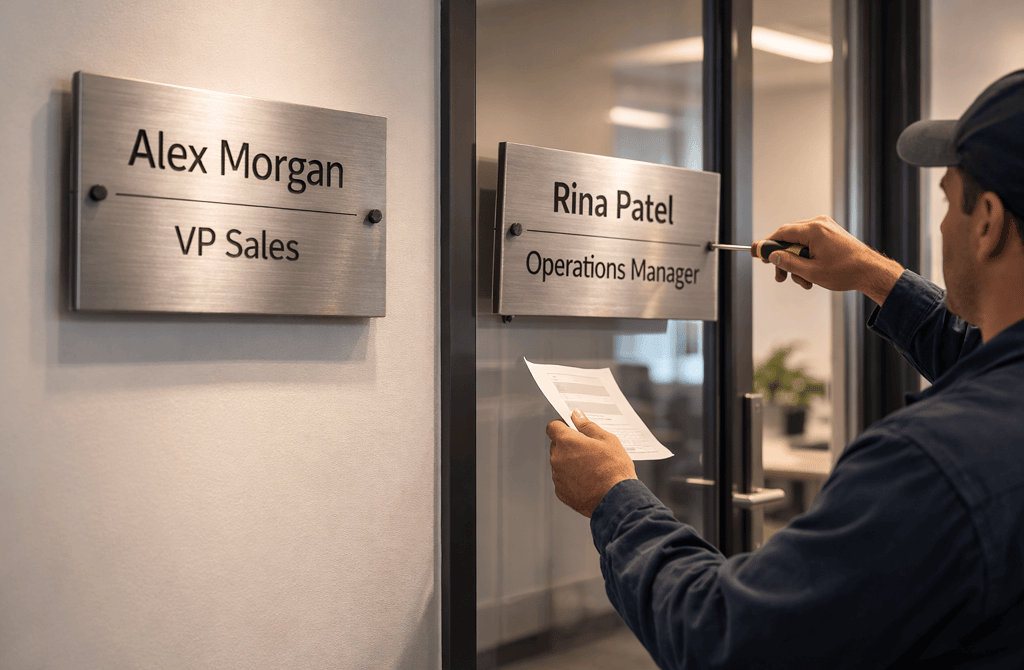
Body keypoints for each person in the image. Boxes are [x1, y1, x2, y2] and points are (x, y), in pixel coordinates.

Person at [546, 69, 1024, 669]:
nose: (943, 225)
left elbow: (723, 637)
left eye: (949, 200)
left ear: (987, 220)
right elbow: (990, 362)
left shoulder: (933, 462)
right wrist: (875, 276)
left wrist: (615, 499)